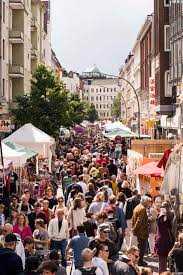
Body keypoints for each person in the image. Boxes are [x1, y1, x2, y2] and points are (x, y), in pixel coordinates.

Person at [155, 204, 175, 273]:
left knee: (163, 263)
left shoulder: (161, 216)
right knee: (162, 263)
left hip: (163, 241)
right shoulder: (162, 217)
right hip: (163, 242)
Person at [132, 196, 151, 266]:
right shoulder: (142, 209)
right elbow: (139, 221)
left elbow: (135, 219)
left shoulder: (137, 207)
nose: (149, 204)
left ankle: (140, 261)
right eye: (148, 202)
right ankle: (140, 261)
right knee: (142, 248)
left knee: (140, 247)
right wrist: (134, 229)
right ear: (145, 202)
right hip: (142, 232)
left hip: (140, 231)